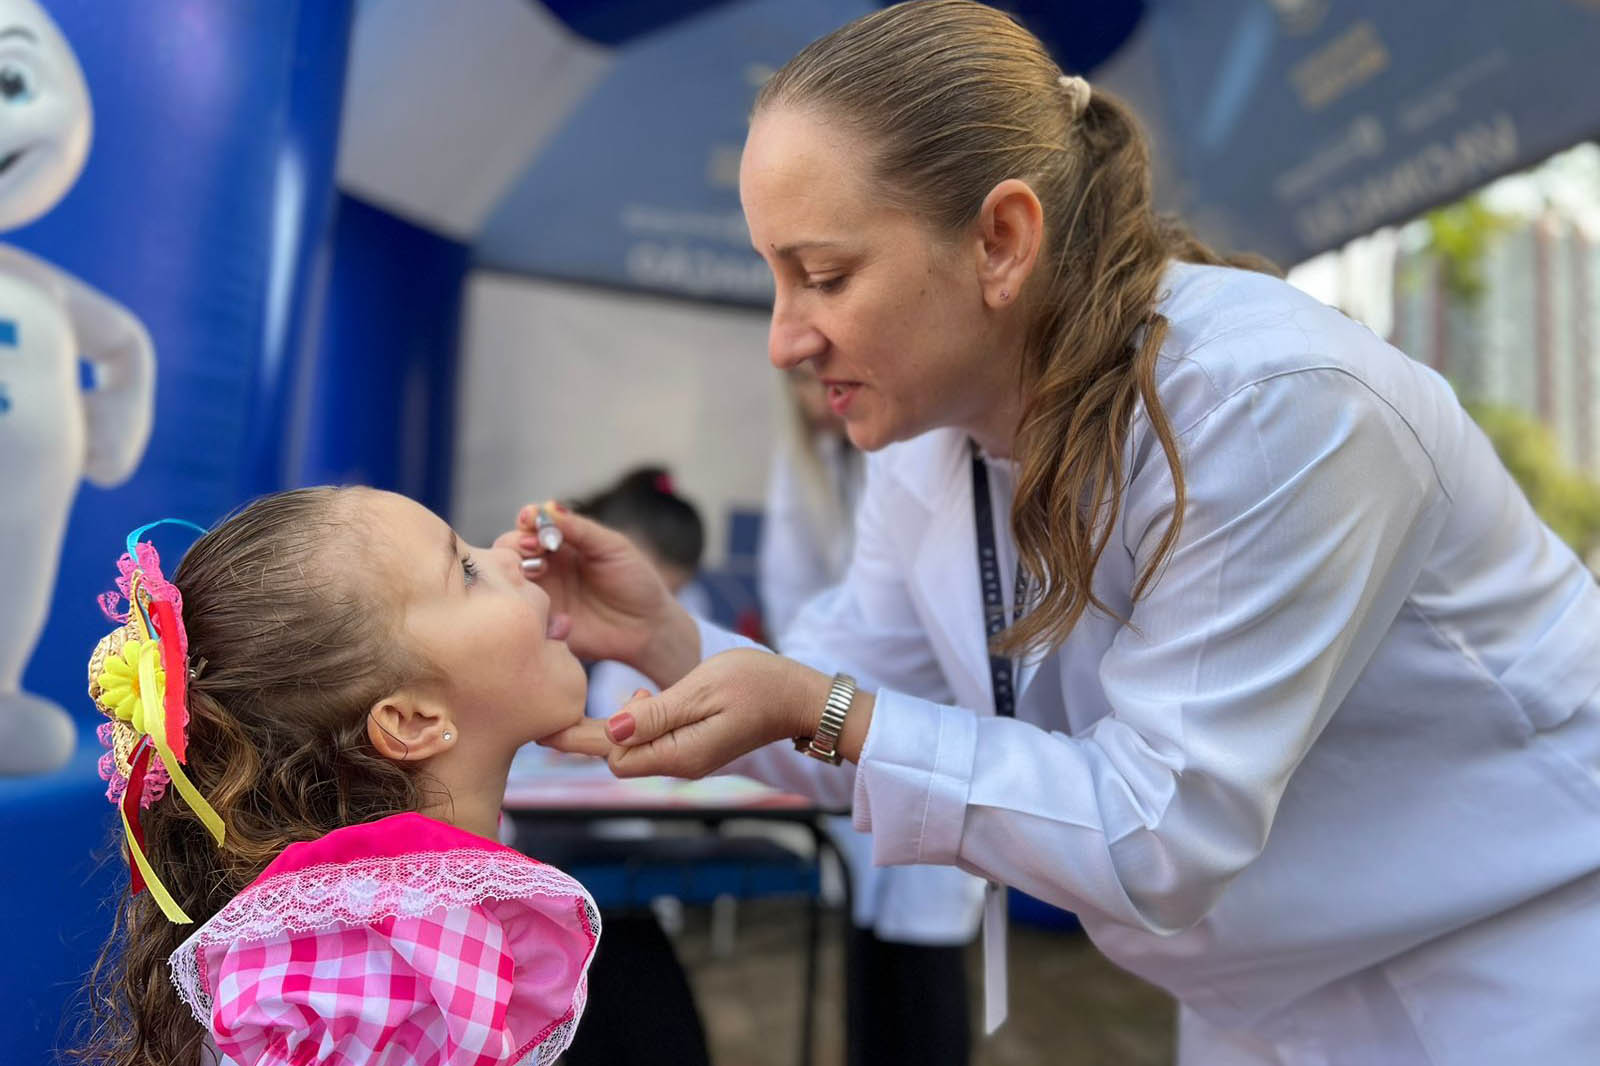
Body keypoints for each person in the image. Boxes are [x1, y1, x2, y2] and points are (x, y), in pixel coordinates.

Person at [508, 3, 1600, 1063]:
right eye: (773, 276)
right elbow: (850, 700)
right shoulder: (923, 443)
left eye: (825, 275)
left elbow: (1155, 830)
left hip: (1513, 965)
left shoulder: (1270, 406)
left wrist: (826, 710)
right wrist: (663, 638)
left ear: (1000, 239)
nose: (784, 339)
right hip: (1259, 991)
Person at [71, 487, 600, 1066]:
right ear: (411, 721)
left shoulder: (394, 933)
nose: (508, 553)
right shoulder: (364, 983)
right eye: (468, 571)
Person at [761, 366, 981, 1066]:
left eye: (818, 378)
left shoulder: (925, 449)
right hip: (841, 723)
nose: (813, 395)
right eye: (796, 383)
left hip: (927, 725)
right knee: (865, 934)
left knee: (925, 951)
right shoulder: (812, 467)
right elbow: (795, 597)